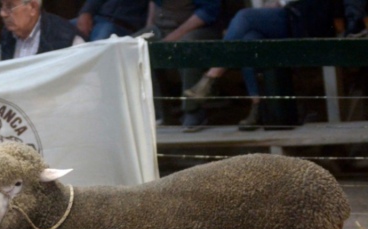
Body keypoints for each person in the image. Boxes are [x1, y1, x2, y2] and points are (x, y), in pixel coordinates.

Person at [183, 0, 336, 130]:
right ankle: (257, 105)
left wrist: (279, 2)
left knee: (245, 17)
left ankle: (212, 77)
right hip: (277, 20)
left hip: (305, 17)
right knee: (249, 39)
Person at [134, 0, 222, 131]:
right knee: (133, 45)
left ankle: (193, 110)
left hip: (197, 28)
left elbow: (207, 13)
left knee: (185, 46)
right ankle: (159, 113)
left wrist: (172, 38)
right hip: (161, 27)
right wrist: (149, 26)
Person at [0, 0, 84, 60]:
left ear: (33, 7)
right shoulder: (7, 34)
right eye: (2, 5)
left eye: (10, 6)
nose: (2, 13)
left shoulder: (68, 39)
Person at [75, 0, 150, 41]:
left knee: (97, 46)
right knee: (64, 30)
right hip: (96, 19)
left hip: (120, 25)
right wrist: (86, 13)